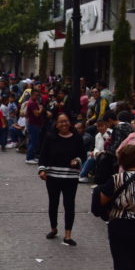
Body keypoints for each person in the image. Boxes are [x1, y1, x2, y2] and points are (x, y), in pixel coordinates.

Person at [38, 113, 86, 246]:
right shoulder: (50, 137)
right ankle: (53, 228)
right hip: (52, 176)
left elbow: (83, 155)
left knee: (69, 205)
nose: (64, 124)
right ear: (56, 124)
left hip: (70, 177)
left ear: (70, 123)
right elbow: (43, 156)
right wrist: (42, 170)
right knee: (53, 203)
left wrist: (77, 161)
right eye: (61, 122)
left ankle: (67, 235)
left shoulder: (77, 138)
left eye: (66, 121)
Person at [78, 118, 110, 183]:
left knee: (91, 158)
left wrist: (99, 153)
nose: (100, 128)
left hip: (106, 155)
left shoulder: (110, 134)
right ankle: (80, 174)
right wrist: (95, 152)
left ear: (106, 125)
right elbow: (96, 147)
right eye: (98, 126)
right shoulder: (97, 135)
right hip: (98, 154)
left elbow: (109, 148)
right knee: (89, 154)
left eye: (102, 126)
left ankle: (81, 174)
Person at [24, 89, 44, 164]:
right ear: (32, 94)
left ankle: (31, 156)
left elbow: (26, 114)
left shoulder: (33, 102)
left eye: (37, 95)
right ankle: (29, 158)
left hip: (34, 124)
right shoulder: (32, 103)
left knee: (33, 141)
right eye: (35, 95)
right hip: (33, 124)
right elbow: (37, 114)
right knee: (33, 142)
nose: (36, 96)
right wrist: (41, 109)